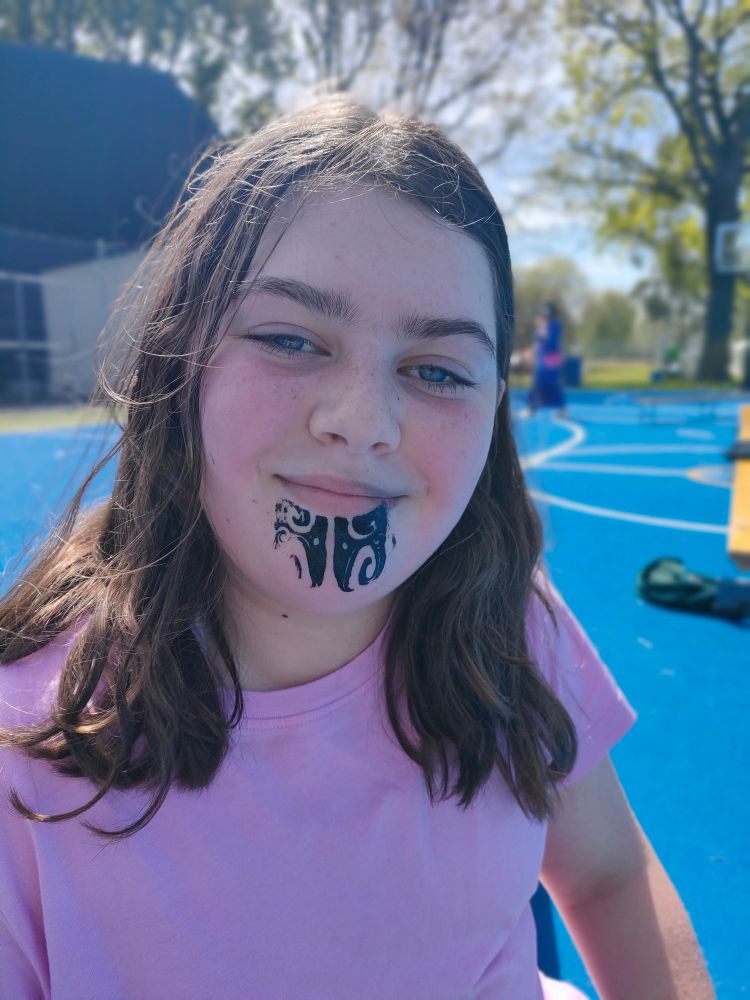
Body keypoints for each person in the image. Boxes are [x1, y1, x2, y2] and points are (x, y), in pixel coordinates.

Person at [0, 97, 713, 1000]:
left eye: (437, 370)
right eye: (290, 339)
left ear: (493, 408)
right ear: (180, 357)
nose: (363, 421)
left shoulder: (509, 627)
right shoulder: (25, 744)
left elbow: (609, 873)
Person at [527, 302, 566, 414]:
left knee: (552, 384)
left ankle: (561, 408)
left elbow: (549, 339)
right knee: (538, 383)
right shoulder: (543, 326)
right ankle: (532, 407)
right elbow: (538, 342)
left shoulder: (555, 324)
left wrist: (542, 325)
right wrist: (531, 353)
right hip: (542, 360)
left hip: (551, 359)